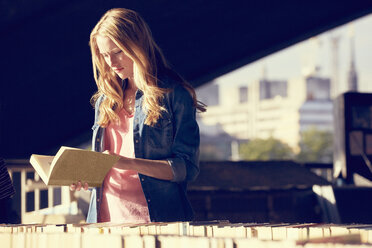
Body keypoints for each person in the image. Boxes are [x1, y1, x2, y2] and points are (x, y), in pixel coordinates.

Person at [70, 8, 206, 224]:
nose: (111, 63)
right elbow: (108, 165)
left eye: (118, 52)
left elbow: (187, 168)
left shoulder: (174, 95)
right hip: (105, 222)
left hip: (159, 222)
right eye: (105, 55)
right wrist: (84, 174)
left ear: (137, 45)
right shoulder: (105, 101)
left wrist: (127, 163)